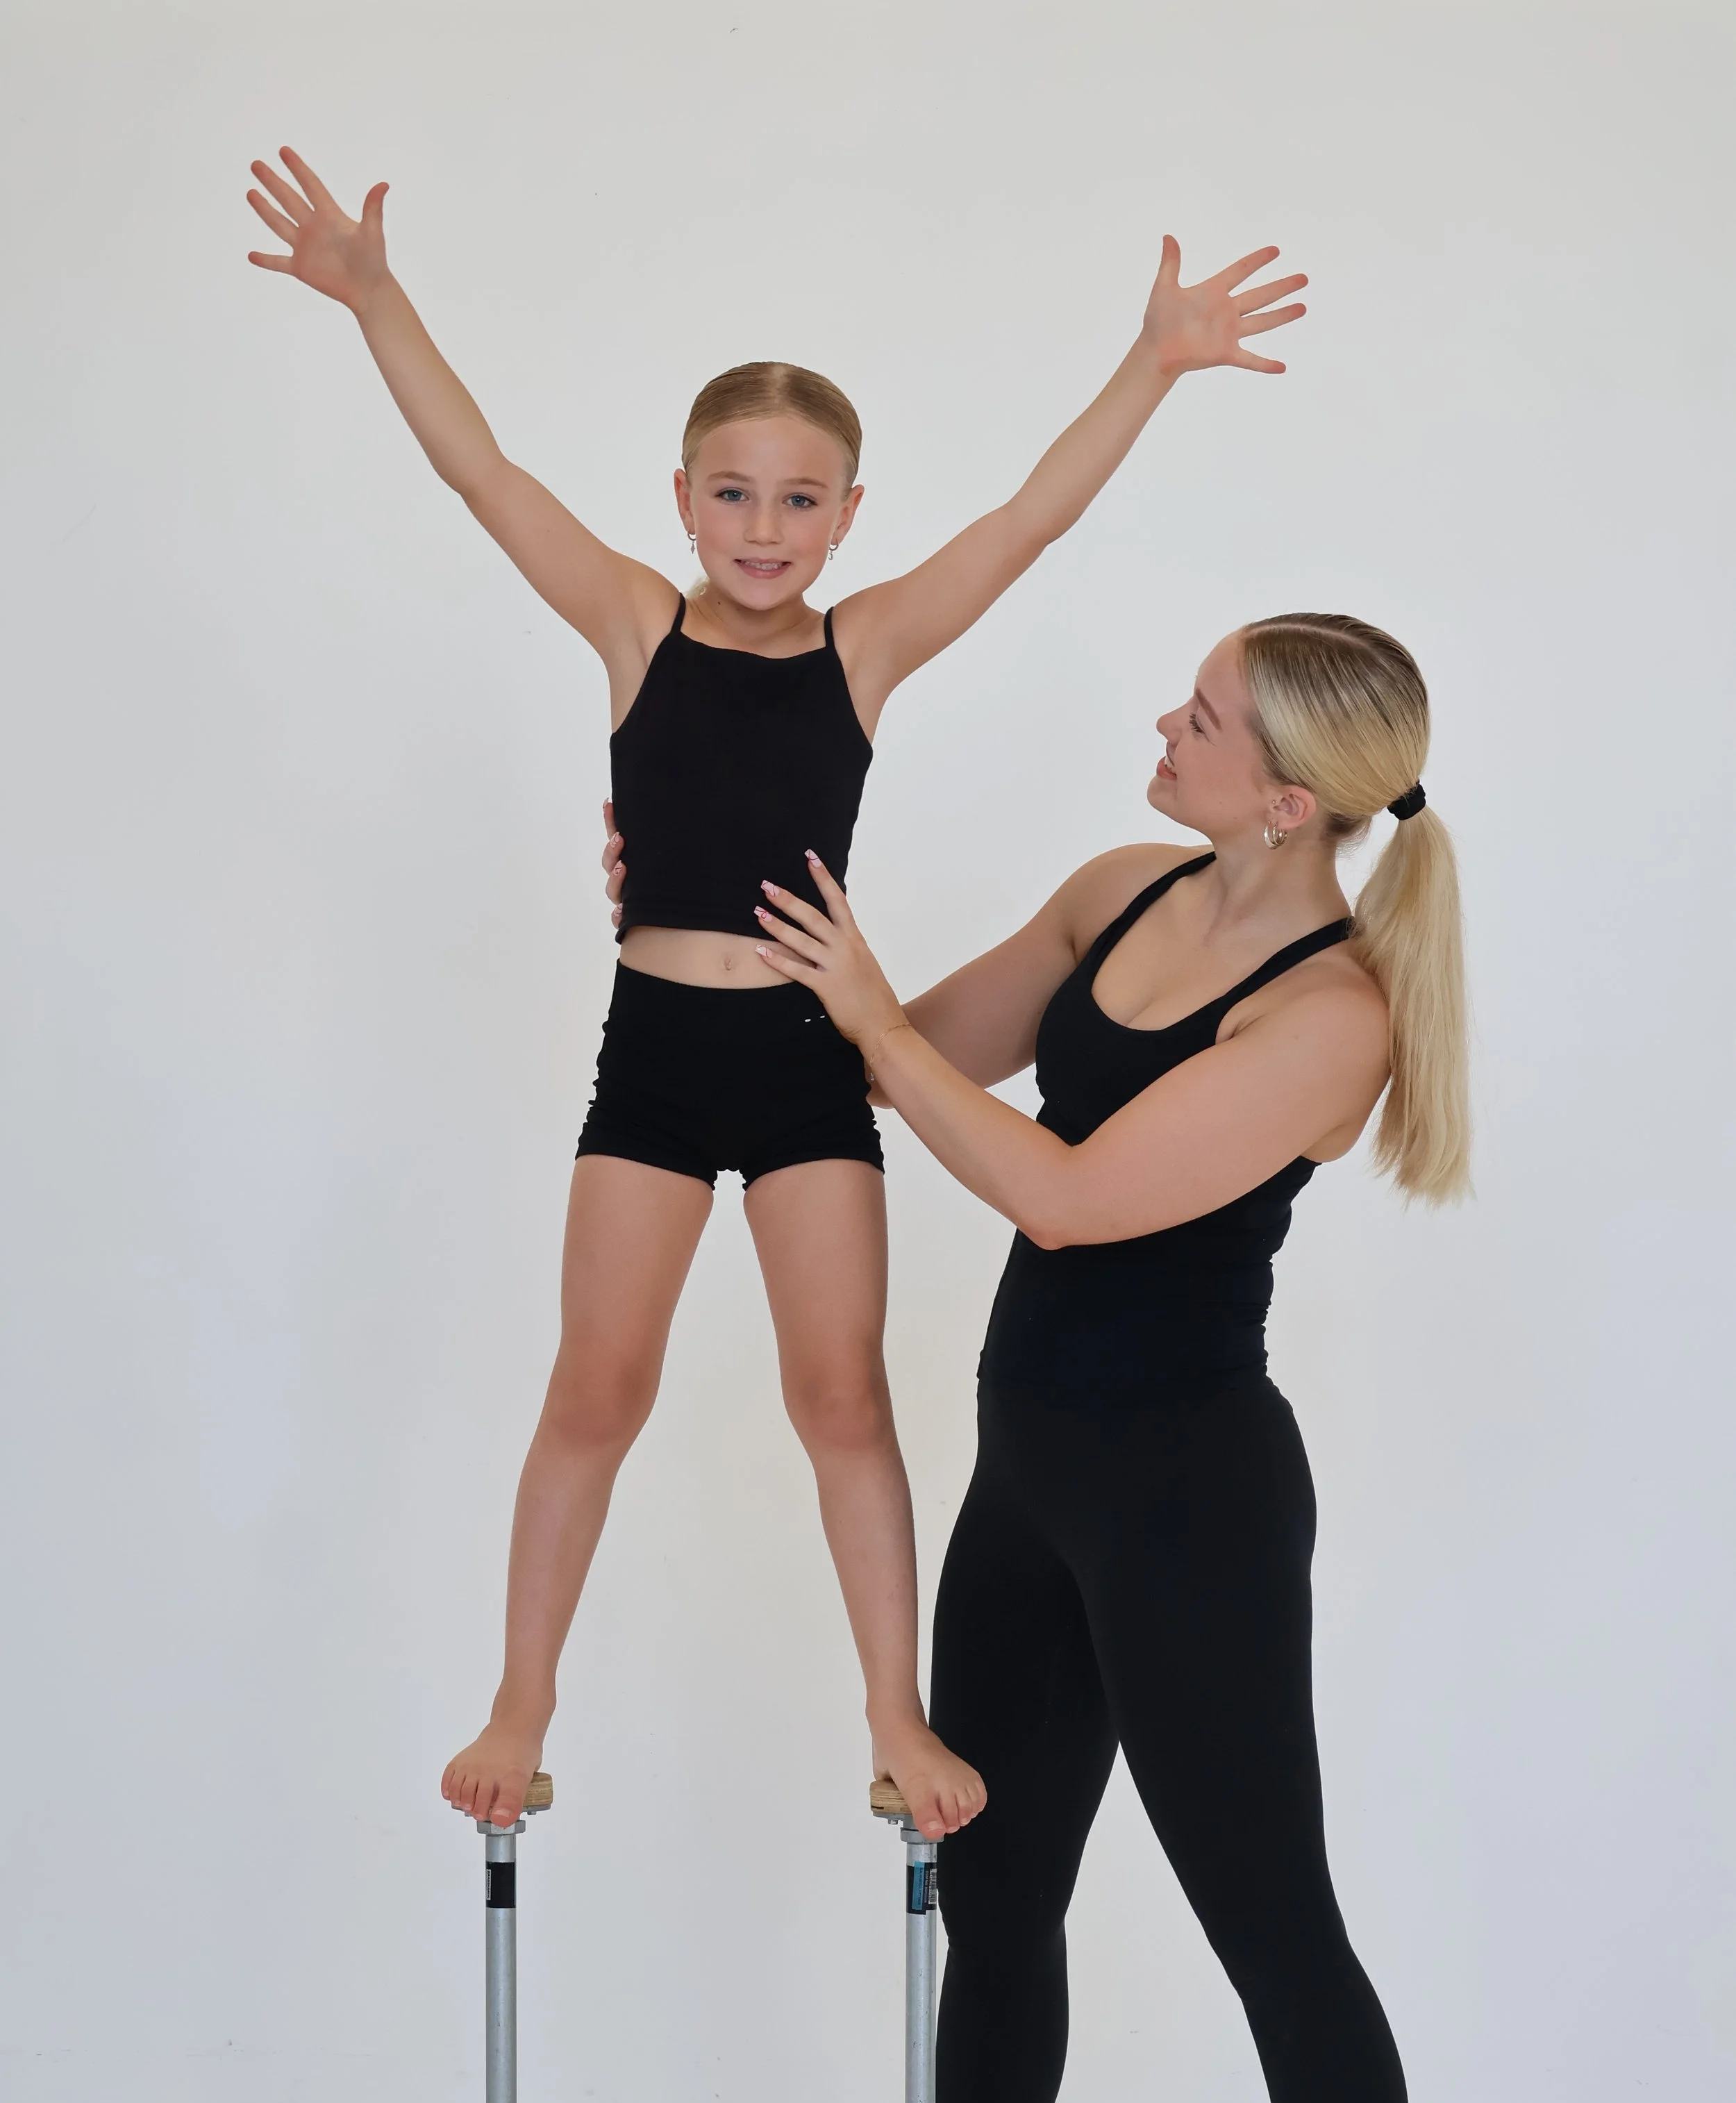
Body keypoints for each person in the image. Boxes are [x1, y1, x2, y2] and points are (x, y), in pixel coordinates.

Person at [244, 146, 1305, 1838]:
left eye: (801, 501)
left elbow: (1025, 519)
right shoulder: (628, 622)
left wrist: (1152, 362)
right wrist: (376, 297)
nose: (763, 530)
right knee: (597, 1386)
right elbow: (479, 473)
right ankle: (524, 1696)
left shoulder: (863, 648)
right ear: (679, 500)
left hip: (808, 1063)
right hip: (653, 1060)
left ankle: (893, 1709)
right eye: (732, 495)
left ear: (847, 517)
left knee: (840, 1395)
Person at [728, 610, 1464, 2103]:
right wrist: (719, 895)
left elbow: (1061, 1188)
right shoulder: (1118, 889)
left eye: (1202, 715)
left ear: (1290, 799)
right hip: (1029, 1475)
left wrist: (879, 1021)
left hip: (1187, 1505)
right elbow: (907, 1055)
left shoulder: (1329, 1014)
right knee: (994, 1885)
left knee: (1274, 1933)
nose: (1165, 718)